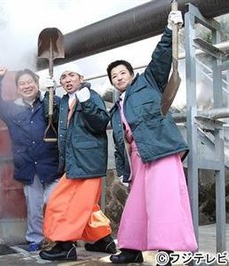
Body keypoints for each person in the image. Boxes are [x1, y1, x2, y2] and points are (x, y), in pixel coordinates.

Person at [107, 10, 197, 265]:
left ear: (131, 74)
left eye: (122, 72)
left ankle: (169, 251)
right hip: (138, 157)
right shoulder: (116, 109)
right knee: (136, 204)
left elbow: (160, 58)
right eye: (114, 76)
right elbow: (119, 144)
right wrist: (125, 171)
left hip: (160, 149)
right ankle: (131, 249)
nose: (119, 77)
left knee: (165, 200)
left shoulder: (148, 82)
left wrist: (170, 29)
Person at [39, 63, 116, 261]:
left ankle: (65, 245)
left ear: (81, 78)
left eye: (71, 75)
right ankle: (102, 239)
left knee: (61, 203)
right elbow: (51, 117)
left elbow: (101, 123)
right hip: (75, 162)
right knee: (86, 205)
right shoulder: (65, 101)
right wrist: (48, 95)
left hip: (87, 162)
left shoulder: (91, 96)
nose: (67, 80)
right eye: (63, 77)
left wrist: (87, 102)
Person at [0, 67, 61, 252]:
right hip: (28, 166)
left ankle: (59, 239)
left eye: (30, 82)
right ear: (18, 88)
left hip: (52, 165)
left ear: (37, 84)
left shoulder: (51, 102)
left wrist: (54, 93)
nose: (26, 86)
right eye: (22, 84)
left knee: (54, 203)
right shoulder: (12, 108)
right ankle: (35, 239)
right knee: (34, 207)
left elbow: (65, 113)